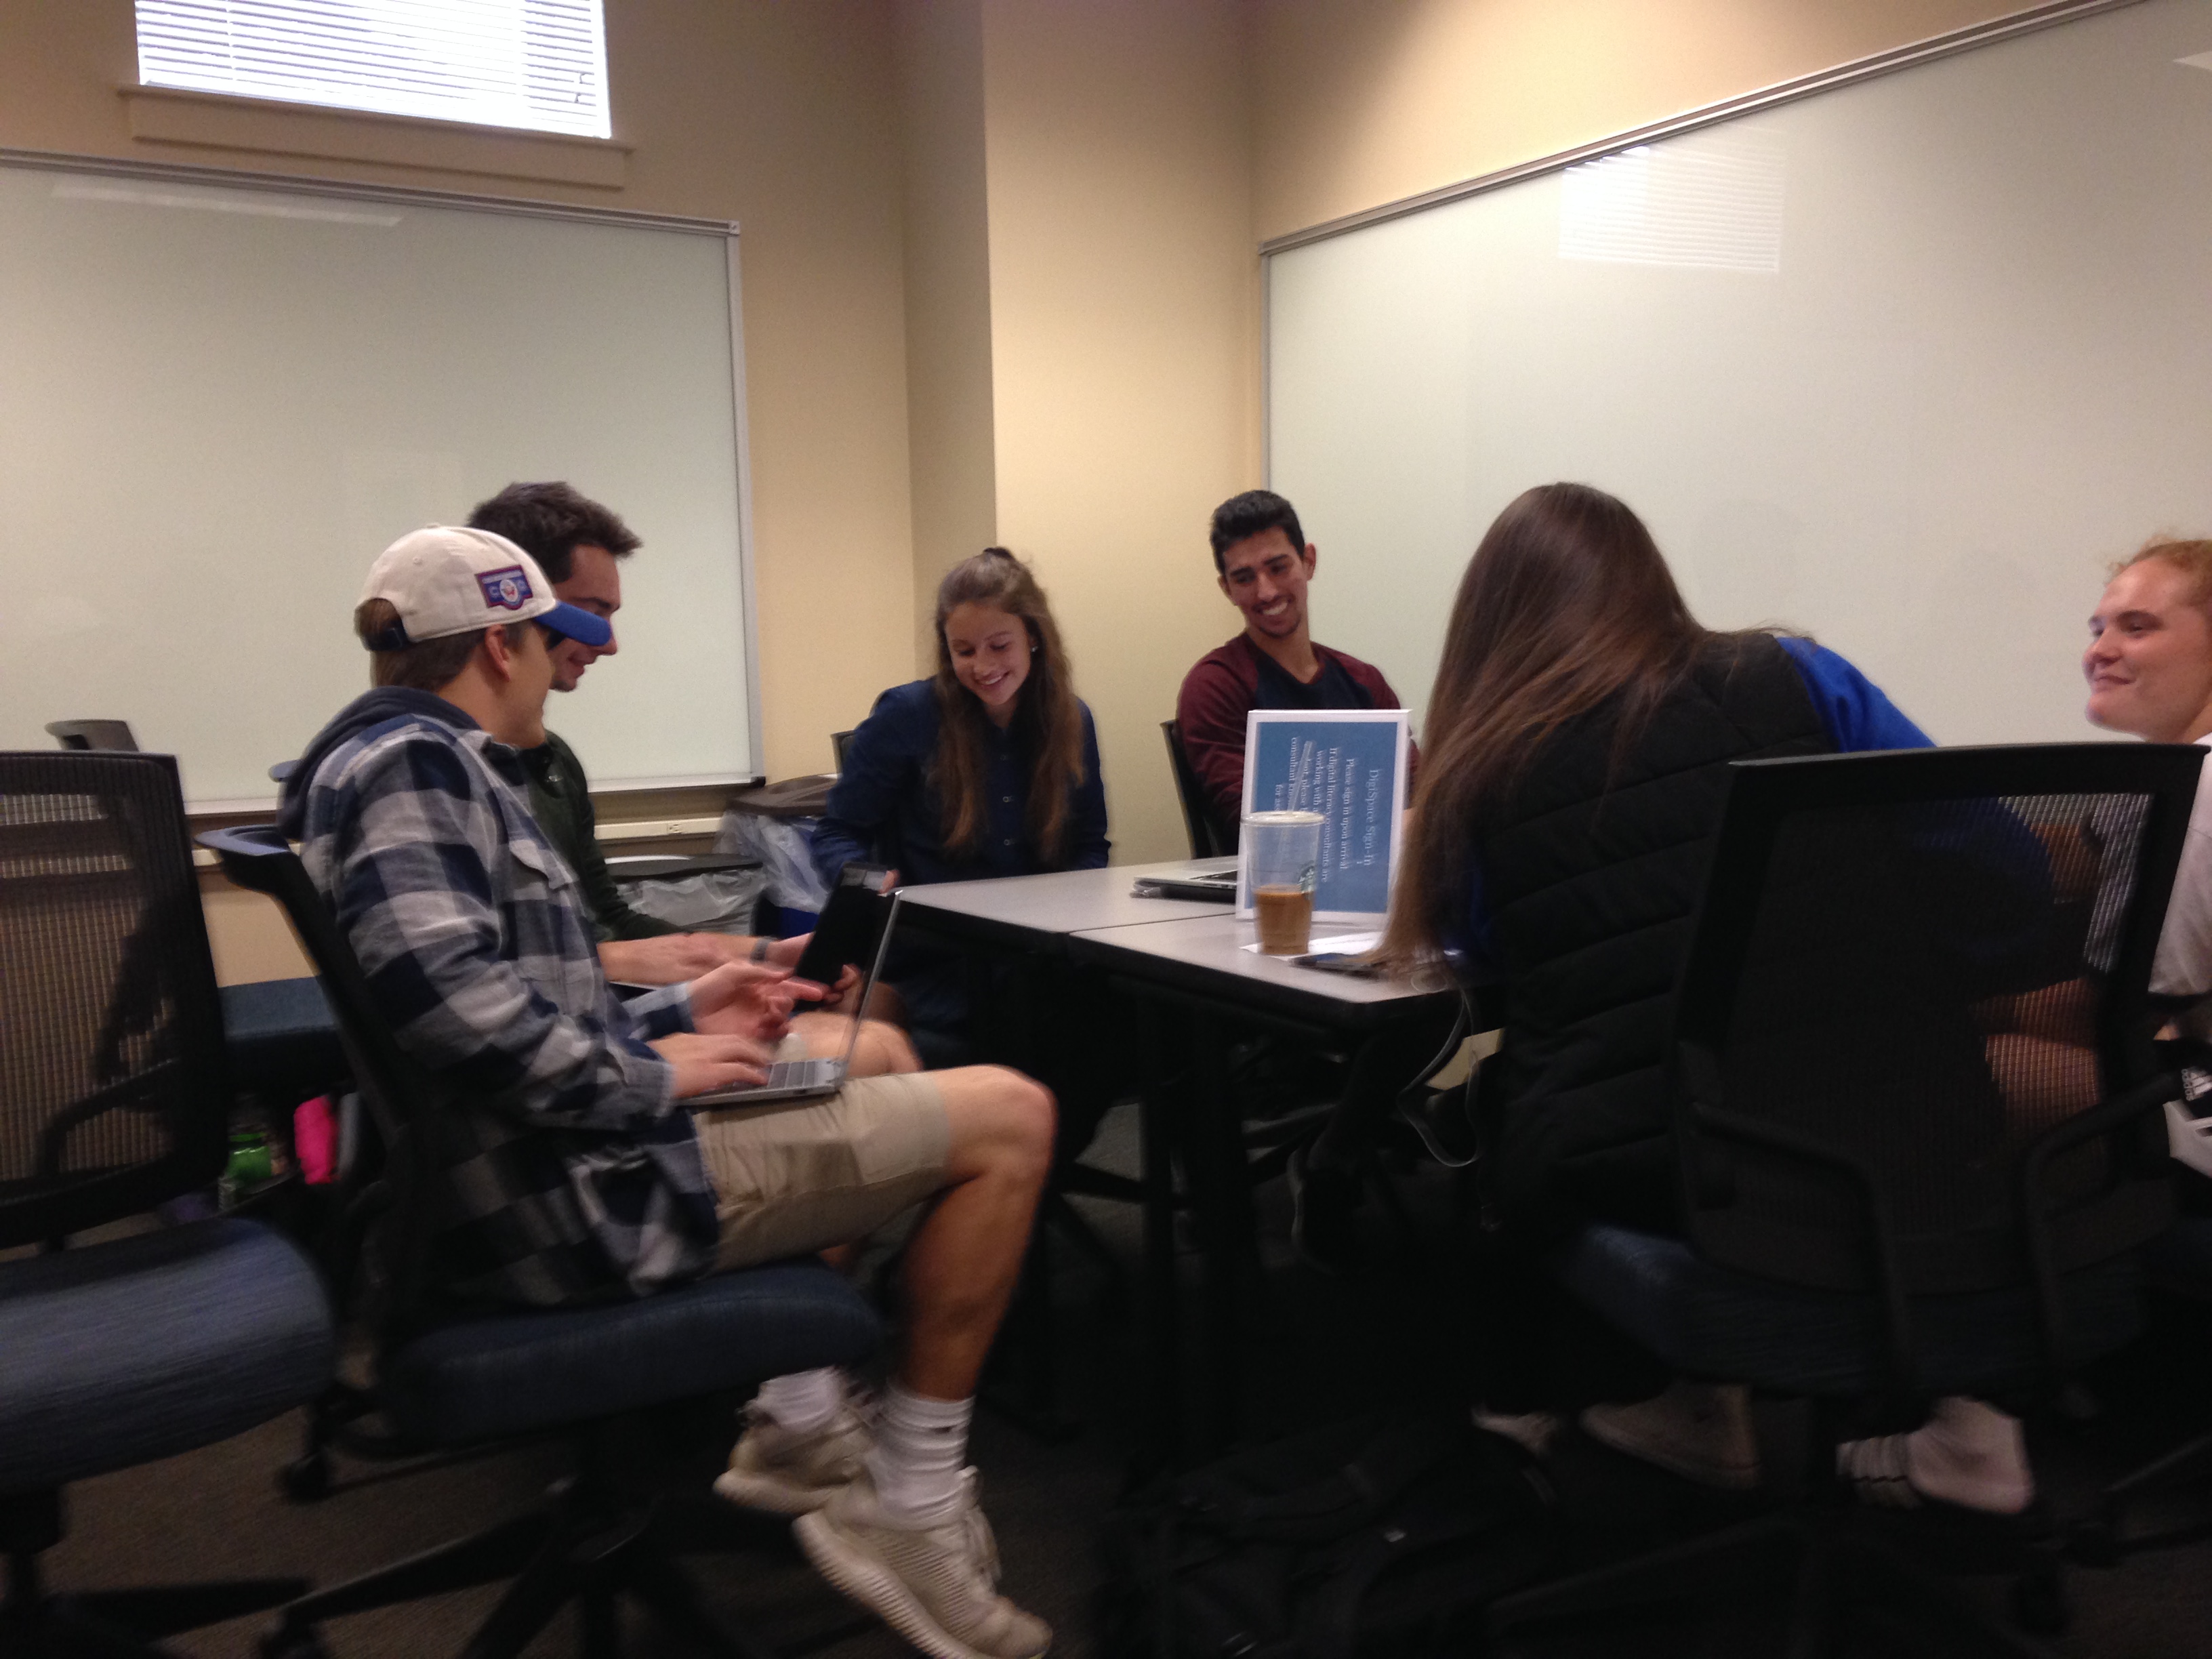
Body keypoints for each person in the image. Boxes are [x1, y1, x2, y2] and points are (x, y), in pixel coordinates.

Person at [282, 526, 1056, 1659]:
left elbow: (498, 996)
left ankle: (796, 1425)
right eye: (551, 638)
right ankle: (910, 1504)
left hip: (555, 1166)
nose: (566, 660)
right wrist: (644, 1076)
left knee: (861, 1051)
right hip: (588, 1196)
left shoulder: (392, 758)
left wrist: (684, 1015)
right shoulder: (420, 765)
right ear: (500, 643)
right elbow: (449, 1005)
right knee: (1015, 1114)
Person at [1380, 482, 1941, 1496]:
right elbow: (1988, 852)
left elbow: (1487, 957)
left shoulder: (1483, 768)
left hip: (1657, 1165)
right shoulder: (1801, 676)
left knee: (1494, 1115)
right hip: (1889, 1135)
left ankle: (1585, 1400)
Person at [465, 481, 898, 1072]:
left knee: (875, 1003)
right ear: (521, 610)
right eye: (594, 617)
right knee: (879, 1046)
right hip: (592, 1046)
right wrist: (713, 976)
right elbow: (541, 972)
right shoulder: (456, 784)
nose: (610, 645)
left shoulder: (553, 763)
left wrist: (760, 954)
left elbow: (609, 920)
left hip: (611, 1025)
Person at [814, 547, 1109, 1043]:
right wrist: (867, 880)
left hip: (1034, 954)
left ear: (1033, 638)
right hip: (933, 959)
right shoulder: (907, 715)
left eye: (999, 646)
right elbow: (836, 831)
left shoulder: (1070, 719)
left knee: (1128, 1023)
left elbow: (1089, 844)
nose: (983, 666)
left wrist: (1071, 912)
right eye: (964, 651)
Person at [1175, 490, 1414, 844]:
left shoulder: (1364, 681)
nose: (1266, 592)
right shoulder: (1214, 687)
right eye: (1244, 578)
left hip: (1382, 888)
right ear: (1226, 588)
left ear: (1309, 562)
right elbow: (1255, 825)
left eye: (1278, 568)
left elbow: (1423, 797)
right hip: (1270, 893)